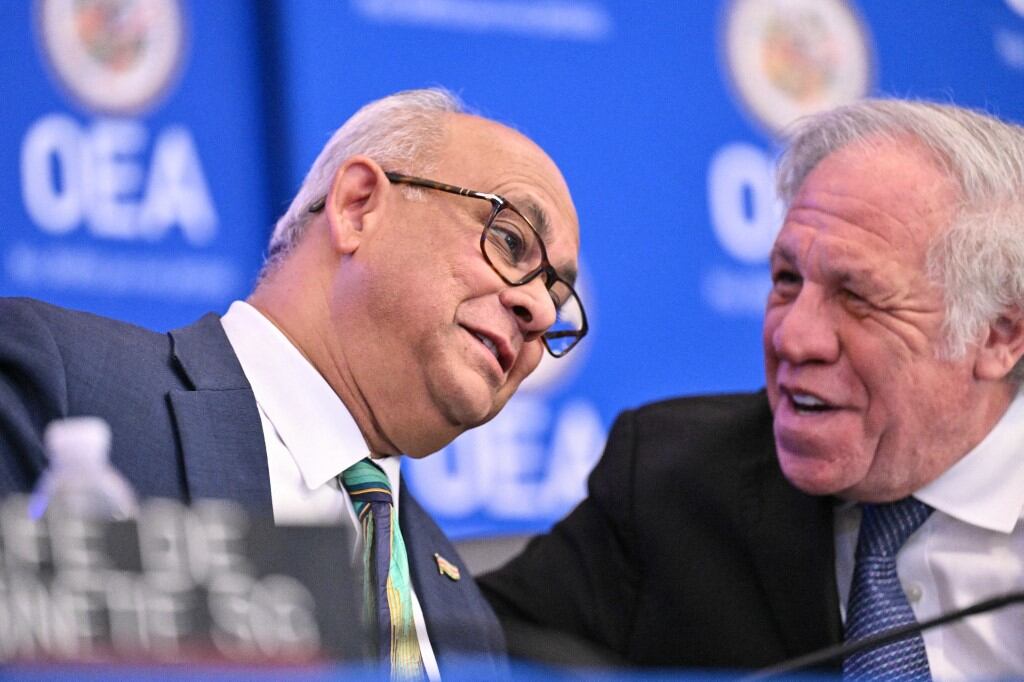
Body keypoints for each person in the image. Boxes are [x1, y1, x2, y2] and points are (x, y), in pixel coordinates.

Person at [0, 87, 586, 678]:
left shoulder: (464, 613)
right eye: (511, 242)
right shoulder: (61, 384)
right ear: (358, 206)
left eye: (558, 300)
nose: (539, 309)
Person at [479, 98, 1024, 679]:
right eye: (787, 280)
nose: (793, 336)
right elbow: (466, 652)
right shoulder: (674, 480)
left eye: (858, 296)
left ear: (999, 335)